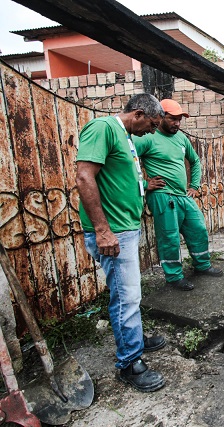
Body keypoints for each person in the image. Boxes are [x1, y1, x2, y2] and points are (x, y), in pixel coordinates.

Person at [76, 93, 166, 392]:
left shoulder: (125, 136)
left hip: (125, 229)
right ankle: (129, 363)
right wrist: (102, 230)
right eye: (151, 125)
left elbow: (118, 179)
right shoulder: (103, 128)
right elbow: (85, 178)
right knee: (125, 298)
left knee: (131, 294)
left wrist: (142, 186)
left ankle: (135, 340)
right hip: (112, 232)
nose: (152, 131)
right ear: (138, 114)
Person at [134, 99, 223, 291]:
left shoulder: (181, 138)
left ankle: (202, 265)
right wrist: (143, 184)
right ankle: (174, 276)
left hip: (182, 195)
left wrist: (194, 186)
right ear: (161, 117)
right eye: (173, 119)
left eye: (179, 119)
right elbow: (127, 160)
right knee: (170, 237)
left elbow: (195, 161)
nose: (177, 123)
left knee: (198, 228)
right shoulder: (148, 137)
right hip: (162, 195)